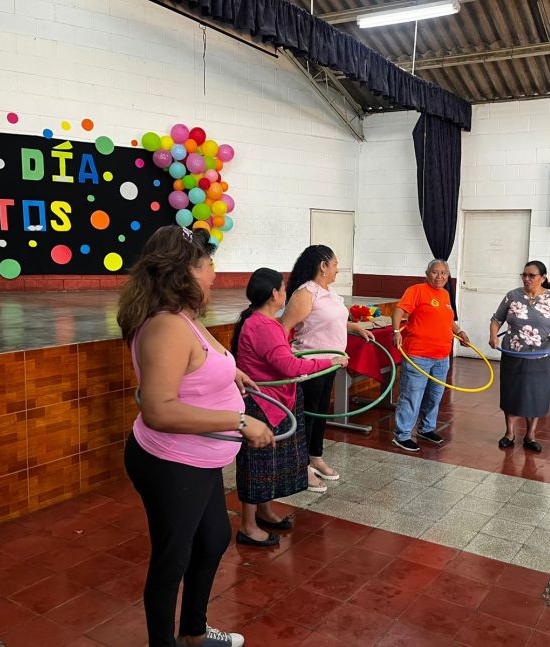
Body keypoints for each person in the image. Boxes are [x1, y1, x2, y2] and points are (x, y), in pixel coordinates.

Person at [117, 225, 274, 647]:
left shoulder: (184, 317)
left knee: (214, 539)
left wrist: (231, 373)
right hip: (171, 461)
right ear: (186, 270)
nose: (214, 274)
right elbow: (159, 410)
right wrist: (239, 422)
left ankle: (194, 633)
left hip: (198, 458)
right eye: (208, 265)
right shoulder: (166, 327)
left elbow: (198, 363)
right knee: (173, 559)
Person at [230, 268, 349, 546]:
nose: (286, 293)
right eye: (283, 289)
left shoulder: (261, 321)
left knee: (268, 463)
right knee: (257, 466)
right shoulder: (263, 326)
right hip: (263, 404)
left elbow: (279, 357)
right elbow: (289, 367)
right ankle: (248, 526)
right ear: (274, 294)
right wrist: (329, 361)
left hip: (274, 402)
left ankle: (263, 511)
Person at [281, 244, 374, 486]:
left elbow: (331, 321)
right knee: (308, 415)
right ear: (323, 266)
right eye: (334, 265)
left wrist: (354, 328)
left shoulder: (329, 293)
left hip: (331, 364)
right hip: (310, 364)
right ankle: (301, 466)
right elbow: (283, 328)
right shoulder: (306, 293)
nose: (337, 270)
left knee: (321, 413)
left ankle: (315, 456)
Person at [488, 260, 550, 453]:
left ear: (543, 278)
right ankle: (509, 433)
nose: (527, 279)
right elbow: (496, 319)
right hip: (514, 353)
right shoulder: (512, 296)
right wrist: (493, 336)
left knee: (537, 395)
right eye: (524, 275)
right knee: (512, 393)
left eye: (531, 275)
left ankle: (530, 435)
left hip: (542, 356)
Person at [390, 259, 469, 451]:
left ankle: (426, 429)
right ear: (427, 273)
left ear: (447, 276)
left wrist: (459, 332)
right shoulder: (416, 290)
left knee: (434, 395)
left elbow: (447, 320)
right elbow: (398, 311)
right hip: (418, 355)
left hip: (441, 356)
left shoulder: (445, 294)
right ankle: (402, 435)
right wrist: (396, 331)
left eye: (443, 273)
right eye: (435, 272)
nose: (439, 276)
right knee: (412, 395)